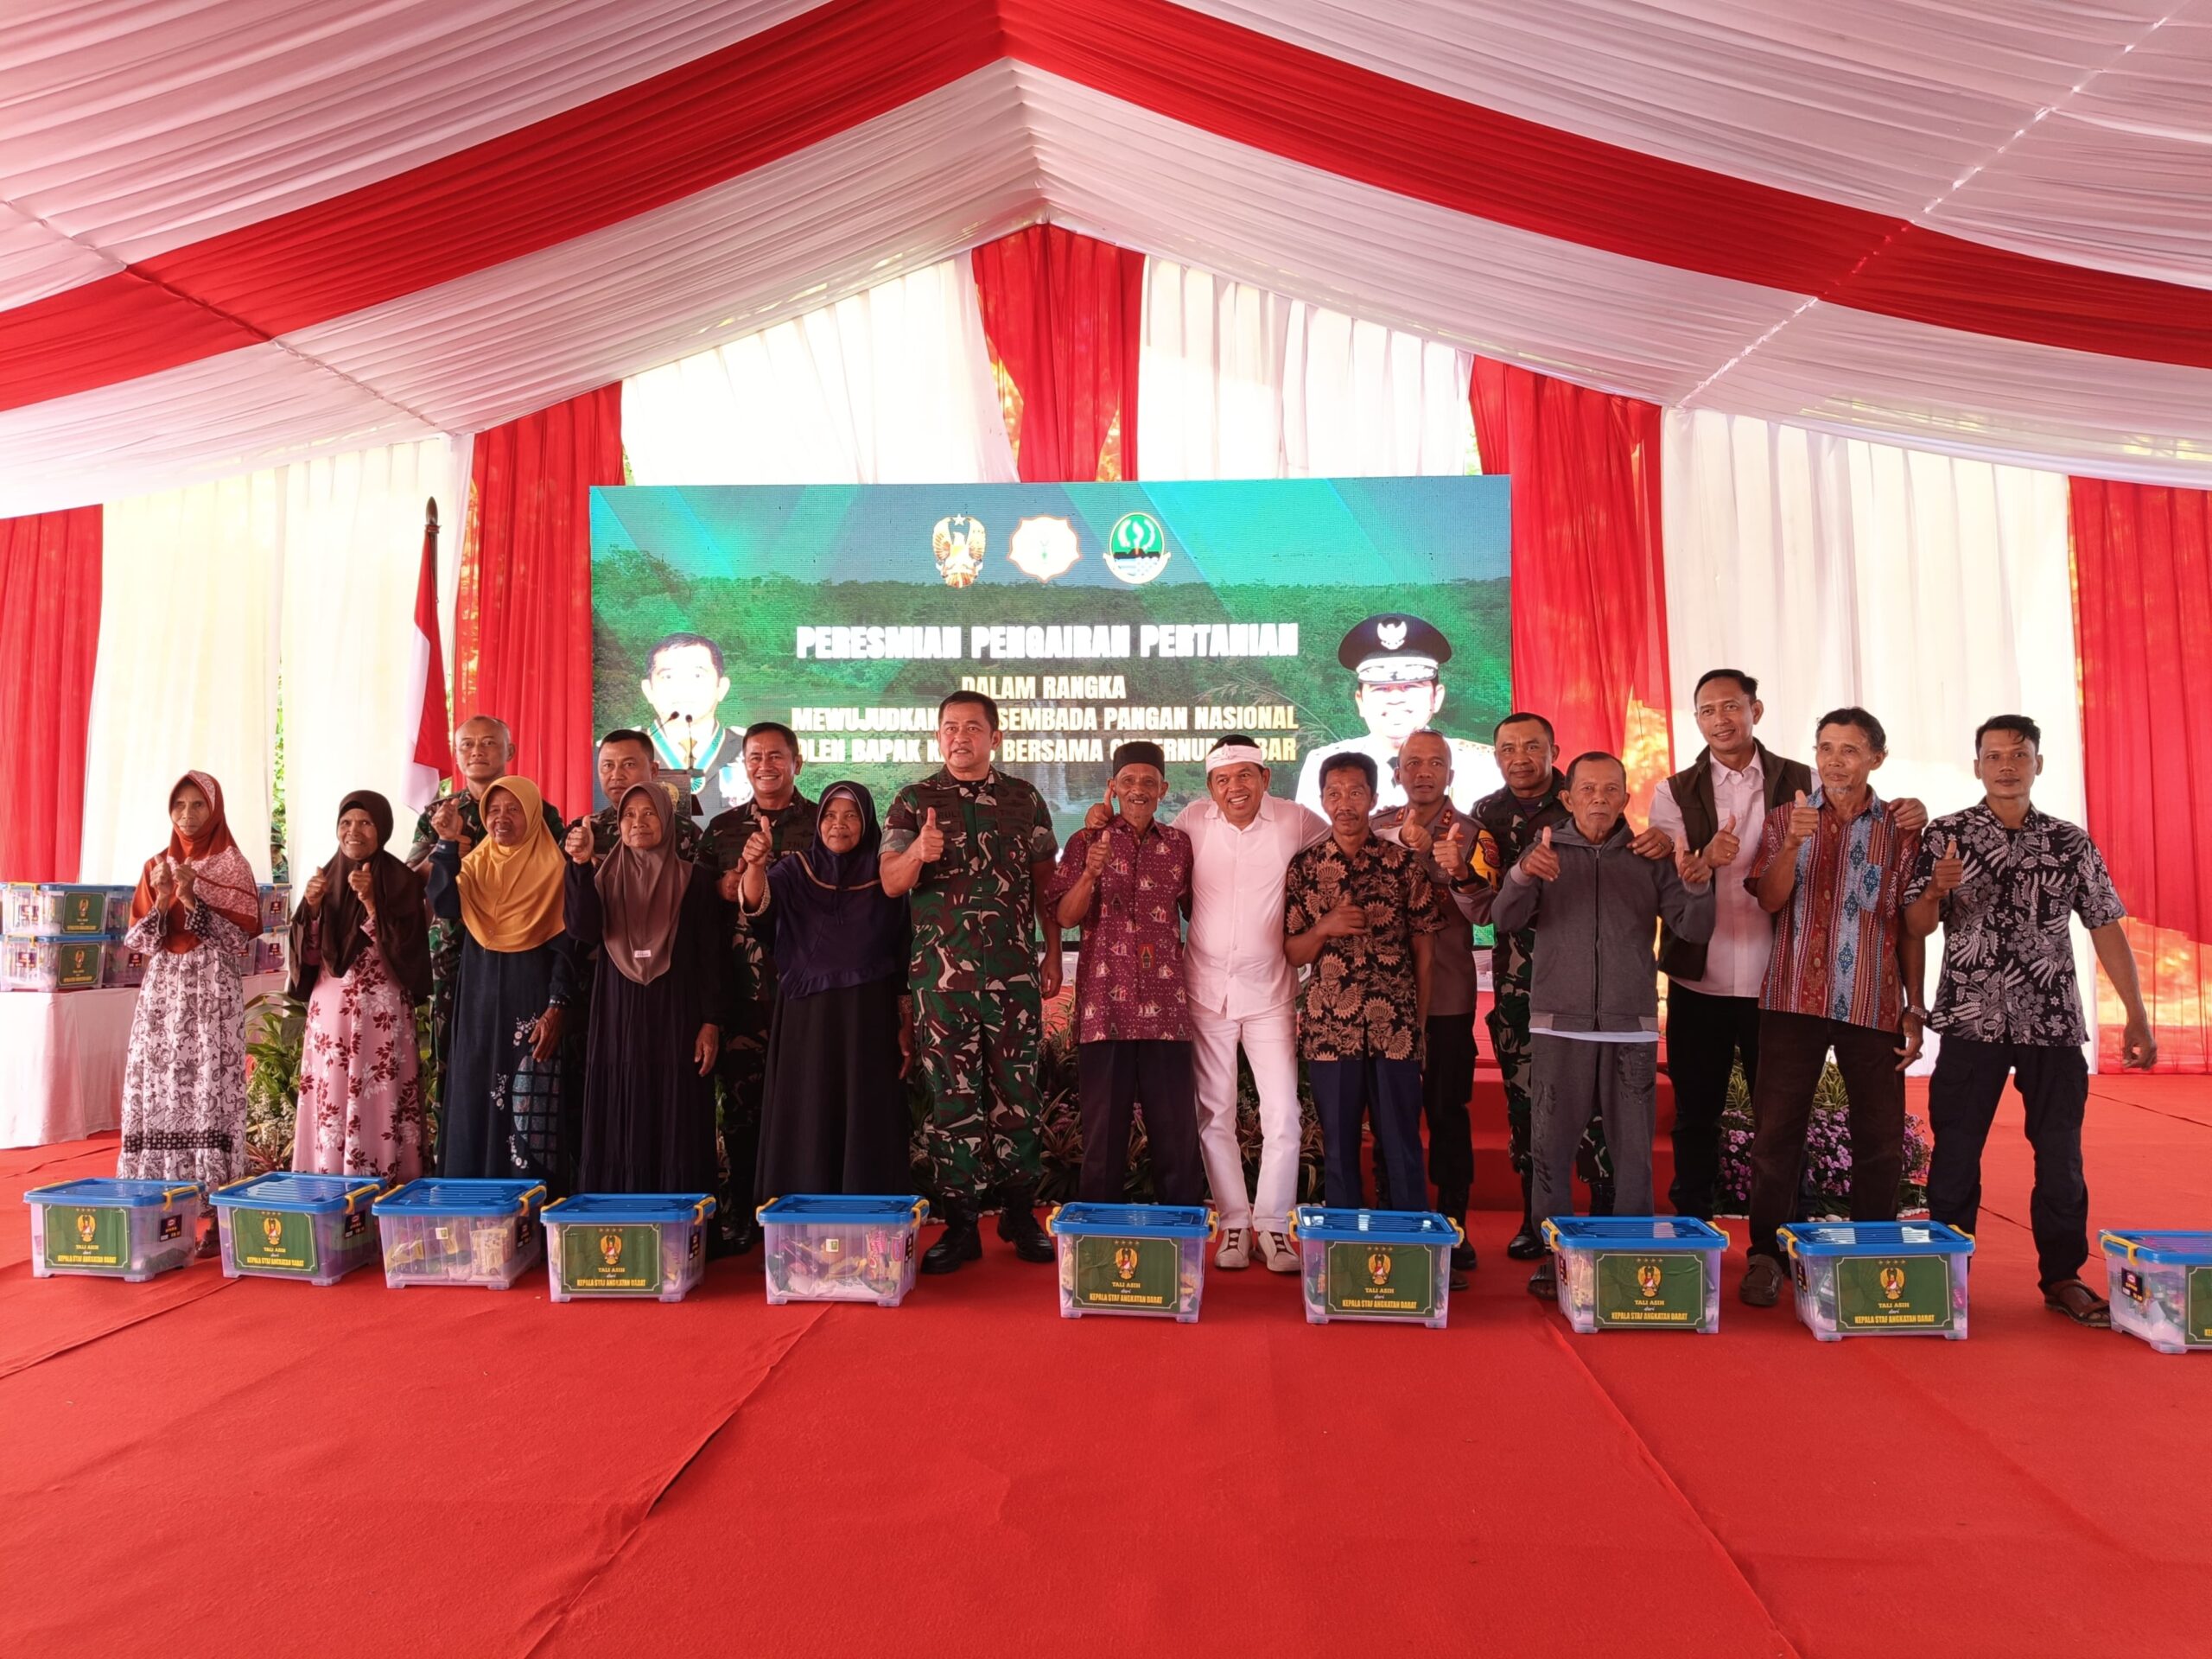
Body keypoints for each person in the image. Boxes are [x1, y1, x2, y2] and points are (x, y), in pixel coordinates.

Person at [1904, 715, 2158, 1326]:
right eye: (1994, 756)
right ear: (1977, 766)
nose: (2007, 766)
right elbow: (1914, 926)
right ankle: (1945, 1274)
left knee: (2061, 1155)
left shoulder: (2070, 842)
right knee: (1956, 1152)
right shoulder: (1947, 835)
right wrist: (1935, 891)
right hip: (1971, 1021)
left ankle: (2064, 1276)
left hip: (2053, 1022)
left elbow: (2104, 925)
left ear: (2038, 764)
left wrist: (2136, 1013)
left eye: (2019, 755)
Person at [1492, 753, 1716, 1297]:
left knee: (1633, 1153)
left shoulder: (1649, 857)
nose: (1599, 798)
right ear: (1567, 798)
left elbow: (1695, 928)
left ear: (1625, 799)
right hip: (1558, 1024)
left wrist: (1697, 885)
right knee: (1550, 1148)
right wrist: (1522, 873)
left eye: (1610, 789)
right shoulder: (1545, 852)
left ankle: (1629, 1258)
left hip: (1629, 1026)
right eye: (1587, 789)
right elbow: (1504, 918)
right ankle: (1556, 1258)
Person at [1738, 708, 1927, 1308]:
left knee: (1879, 1138)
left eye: (1849, 749)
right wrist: (1794, 843)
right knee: (1775, 1136)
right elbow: (1770, 900)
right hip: (1791, 999)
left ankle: (1871, 1254)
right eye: (1825, 748)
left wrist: (1915, 1006)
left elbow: (1910, 926)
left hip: (1872, 1002)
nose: (1835, 761)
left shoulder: (1901, 829)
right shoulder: (1784, 819)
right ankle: (1767, 1255)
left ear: (1876, 757)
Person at [881, 690, 1064, 1273]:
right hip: (942, 983)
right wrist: (918, 852)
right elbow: (890, 881)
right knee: (951, 1103)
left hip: (1013, 978)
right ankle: (961, 1226)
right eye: (950, 728)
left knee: (1019, 1098)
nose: (960, 737)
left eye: (973, 728)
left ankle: (1019, 1214)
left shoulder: (1024, 799)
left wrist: (1053, 952)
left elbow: (1046, 887)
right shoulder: (913, 801)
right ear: (938, 736)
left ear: (995, 737)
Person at [1648, 670, 1810, 1219]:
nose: (1721, 720)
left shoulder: (1803, 781)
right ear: (1697, 720)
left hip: (1780, 978)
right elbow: (1671, 881)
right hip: (1700, 976)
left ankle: (1783, 1232)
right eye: (1707, 710)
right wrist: (1702, 863)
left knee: (1781, 1116)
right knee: (1696, 1112)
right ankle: (1693, 1223)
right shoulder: (1673, 791)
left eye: (1731, 707)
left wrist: (1904, 809)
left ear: (1755, 711)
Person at [1173, 735, 1329, 1273]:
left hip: (1270, 993)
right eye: (1222, 779)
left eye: (1245, 775)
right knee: (1214, 1112)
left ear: (1265, 778)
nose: (1234, 787)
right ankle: (1235, 1223)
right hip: (1205, 990)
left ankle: (1274, 1226)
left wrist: (1400, 827)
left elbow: (1347, 838)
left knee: (1282, 1112)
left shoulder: (1295, 820)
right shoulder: (1192, 822)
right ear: (1210, 787)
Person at [1471, 713, 1621, 1257]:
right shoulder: (1486, 814)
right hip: (1518, 982)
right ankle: (1536, 1219)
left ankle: (1603, 1215)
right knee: (1525, 1100)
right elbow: (1481, 897)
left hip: (1584, 978)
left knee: (1596, 1101)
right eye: (1508, 748)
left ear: (1554, 751)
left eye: (1532, 746)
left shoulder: (1584, 798)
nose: (1520, 757)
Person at [1283, 751, 1445, 1213]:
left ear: (1374, 798)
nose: (1345, 803)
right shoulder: (1304, 867)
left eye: (1356, 792)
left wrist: (1418, 1027)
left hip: (1395, 1030)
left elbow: (1425, 953)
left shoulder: (1403, 865)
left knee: (1402, 1146)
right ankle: (1343, 1248)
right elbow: (1293, 952)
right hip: (1330, 1031)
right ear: (1322, 800)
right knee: (1338, 1151)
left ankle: (1411, 1243)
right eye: (1334, 794)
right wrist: (1324, 928)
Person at [741, 782, 913, 1198]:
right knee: (808, 1111)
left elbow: (901, 952)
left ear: (867, 823)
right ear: (818, 823)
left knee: (864, 1113)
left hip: (867, 1018)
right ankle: (801, 1217)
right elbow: (757, 908)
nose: (840, 825)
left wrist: (906, 1021)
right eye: (831, 816)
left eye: (851, 816)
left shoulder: (885, 878)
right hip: (807, 1018)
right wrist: (755, 866)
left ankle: (868, 1221)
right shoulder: (796, 869)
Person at [1052, 742, 1205, 1206]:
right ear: (1113, 787)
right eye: (1129, 781)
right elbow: (1065, 916)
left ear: (1164, 789)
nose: (1139, 790)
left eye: (1148, 782)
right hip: (1105, 1011)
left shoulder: (1179, 845)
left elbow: (1199, 910)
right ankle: (1097, 1232)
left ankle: (1181, 1231)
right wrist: (1088, 875)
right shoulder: (1085, 841)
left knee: (1176, 1134)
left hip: (1166, 1013)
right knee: (1103, 1137)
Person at [406, 713, 566, 1150]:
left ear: (509, 751)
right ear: (456, 754)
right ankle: (459, 1156)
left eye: (489, 743)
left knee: (525, 1063)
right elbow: (413, 880)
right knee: (457, 1059)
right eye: (468, 744)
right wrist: (447, 850)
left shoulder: (537, 810)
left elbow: (555, 877)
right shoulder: (440, 814)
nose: (477, 751)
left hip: (525, 954)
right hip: (455, 954)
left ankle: (515, 1158)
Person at [118, 772, 262, 1252]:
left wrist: (192, 899)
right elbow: (139, 942)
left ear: (214, 809)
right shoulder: (156, 864)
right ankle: (160, 1210)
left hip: (212, 991)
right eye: (179, 805)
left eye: (198, 805)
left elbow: (238, 940)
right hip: (164, 994)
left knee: (209, 1090)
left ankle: (219, 1216)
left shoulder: (233, 866)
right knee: (158, 1088)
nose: (187, 814)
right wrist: (162, 899)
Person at [563, 782, 729, 1193]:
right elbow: (583, 931)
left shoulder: (695, 880)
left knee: (676, 1108)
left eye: (649, 813)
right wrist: (580, 866)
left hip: (678, 1012)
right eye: (629, 815)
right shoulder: (601, 878)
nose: (638, 823)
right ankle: (618, 1215)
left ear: (667, 820)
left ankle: (680, 1219)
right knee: (620, 1104)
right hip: (618, 1011)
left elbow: (711, 957)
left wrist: (711, 1022)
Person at [699, 720, 819, 1252]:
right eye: (755, 757)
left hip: (806, 993)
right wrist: (725, 886)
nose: (765, 766)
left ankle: (806, 1214)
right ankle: (745, 1218)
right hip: (742, 996)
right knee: (743, 1110)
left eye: (776, 756)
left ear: (797, 762)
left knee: (807, 1106)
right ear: (743, 764)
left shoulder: (824, 823)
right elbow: (699, 905)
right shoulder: (722, 829)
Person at [426, 776, 577, 1187]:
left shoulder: (555, 871)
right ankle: (471, 1202)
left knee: (529, 1101)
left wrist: (557, 1005)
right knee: (474, 1092)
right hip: (478, 1000)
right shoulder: (476, 863)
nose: (501, 818)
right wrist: (447, 844)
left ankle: (530, 1205)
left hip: (530, 999)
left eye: (513, 809)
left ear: (533, 815)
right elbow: (445, 903)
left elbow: (566, 949)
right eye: (493, 810)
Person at [1371, 728, 1484, 1274]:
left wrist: (1449, 866)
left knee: (1446, 1110)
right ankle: (1392, 1217)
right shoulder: (1374, 829)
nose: (1423, 772)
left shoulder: (1475, 834)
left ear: (1450, 774)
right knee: (1388, 1112)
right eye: (1412, 762)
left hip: (1446, 995)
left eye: (1434, 763)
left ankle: (1453, 1223)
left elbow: (1487, 910)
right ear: (1396, 772)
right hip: (1383, 997)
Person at [287, 791, 431, 1182]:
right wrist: (311, 909)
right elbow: (309, 956)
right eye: (346, 823)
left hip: (381, 1011)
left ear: (382, 828)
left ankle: (385, 1185)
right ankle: (328, 1185)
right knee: (332, 1093)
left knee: (380, 1093)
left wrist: (371, 903)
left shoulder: (401, 880)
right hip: (331, 1013)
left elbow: (408, 949)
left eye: (366, 823)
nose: (354, 831)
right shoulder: (325, 878)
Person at [1294, 614, 1498, 814]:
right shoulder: (1322, 765)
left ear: (1437, 697)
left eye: (1410, 686)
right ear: (1360, 701)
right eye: (1381, 689)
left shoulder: (1481, 767)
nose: (1395, 699)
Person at [639, 632, 745, 818]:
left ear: (721, 688)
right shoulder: (617, 754)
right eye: (668, 677)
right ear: (648, 690)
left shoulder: (749, 750)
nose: (683, 687)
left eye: (697, 675)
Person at [573, 728, 703, 860]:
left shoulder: (687, 833)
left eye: (629, 764)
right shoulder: (581, 832)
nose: (616, 775)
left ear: (653, 770)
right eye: (608, 765)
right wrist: (581, 863)